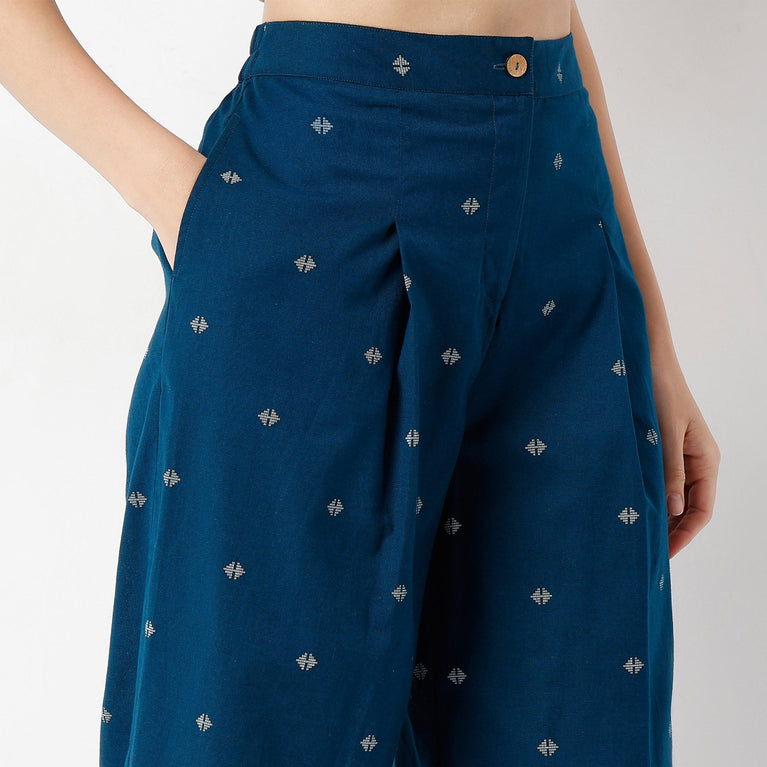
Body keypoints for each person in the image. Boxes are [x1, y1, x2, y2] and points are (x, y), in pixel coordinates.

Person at [0, 1, 720, 766]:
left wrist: (650, 334)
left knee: (575, 713)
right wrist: (185, 203)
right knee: (261, 724)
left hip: (562, 221)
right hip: (320, 198)